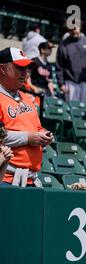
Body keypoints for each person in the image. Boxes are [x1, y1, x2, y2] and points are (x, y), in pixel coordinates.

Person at [0, 47, 53, 187]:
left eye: (27, 68)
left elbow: (37, 128)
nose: (25, 73)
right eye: (19, 68)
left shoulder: (27, 98)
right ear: (3, 69)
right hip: (6, 179)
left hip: (31, 179)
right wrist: (28, 138)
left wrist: (43, 135)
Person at [56, 22, 86, 107]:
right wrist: (61, 83)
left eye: (75, 28)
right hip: (71, 81)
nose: (74, 31)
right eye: (71, 29)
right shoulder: (63, 44)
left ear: (80, 27)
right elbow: (59, 65)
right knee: (72, 108)